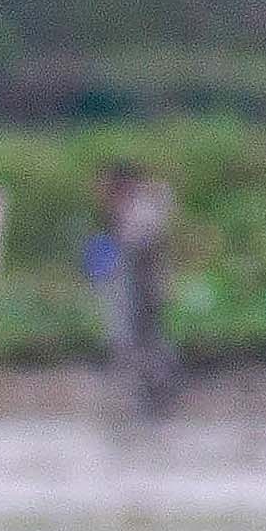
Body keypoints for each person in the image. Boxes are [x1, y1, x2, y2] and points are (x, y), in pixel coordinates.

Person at [90, 159, 178, 420]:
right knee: (137, 343)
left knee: (141, 343)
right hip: (136, 290)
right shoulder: (138, 207)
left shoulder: (141, 210)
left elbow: (138, 247)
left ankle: (155, 399)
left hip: (142, 291)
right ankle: (146, 402)